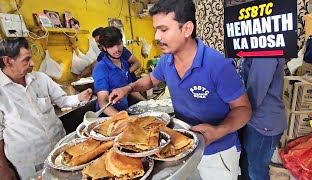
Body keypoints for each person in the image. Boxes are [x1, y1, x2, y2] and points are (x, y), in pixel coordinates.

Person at [108, 0, 252, 179]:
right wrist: (128, 88)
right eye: (156, 29)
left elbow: (244, 109)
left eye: (163, 29)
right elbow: (151, 80)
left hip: (217, 153)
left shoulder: (217, 65)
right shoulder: (166, 60)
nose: (157, 37)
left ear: (187, 29)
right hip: (182, 146)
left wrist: (218, 131)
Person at [0, 37, 92, 180]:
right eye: (26, 60)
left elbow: (62, 100)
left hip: (60, 149)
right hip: (30, 161)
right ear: (8, 61)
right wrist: (2, 168)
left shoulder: (40, 79)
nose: (32, 64)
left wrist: (79, 98)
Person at [239, 58, 287, 180]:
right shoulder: (256, 46)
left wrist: (237, 110)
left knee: (257, 172)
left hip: (263, 122)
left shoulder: (265, 49)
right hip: (255, 119)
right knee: (250, 166)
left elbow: (255, 91)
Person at [93, 26, 145, 116]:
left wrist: (147, 102)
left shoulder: (124, 64)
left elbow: (129, 89)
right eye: (111, 46)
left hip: (124, 112)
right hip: (108, 118)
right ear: (104, 48)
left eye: (118, 43)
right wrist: (124, 119)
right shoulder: (101, 68)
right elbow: (103, 103)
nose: (116, 49)